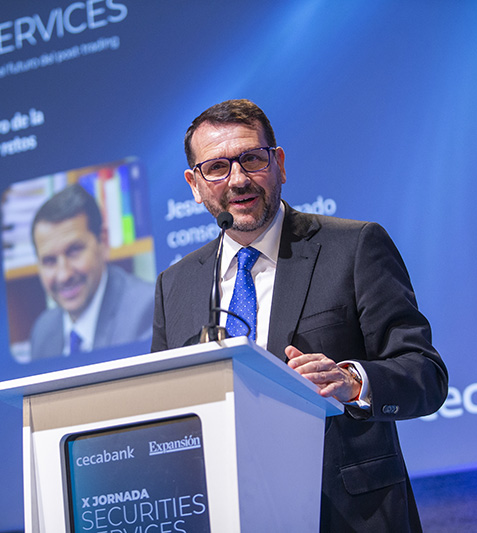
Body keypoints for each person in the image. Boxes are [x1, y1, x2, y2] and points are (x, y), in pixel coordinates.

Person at [151, 99, 448, 531]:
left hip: (348, 516)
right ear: (194, 185)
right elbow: (163, 412)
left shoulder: (354, 246)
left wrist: (353, 382)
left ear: (279, 164)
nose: (238, 179)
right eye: (216, 168)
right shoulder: (174, 286)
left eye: (251, 158)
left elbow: (426, 374)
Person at [29, 184, 155, 360]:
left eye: (74, 251)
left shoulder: (146, 310)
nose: (64, 275)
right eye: (49, 261)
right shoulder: (42, 332)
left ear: (103, 242)